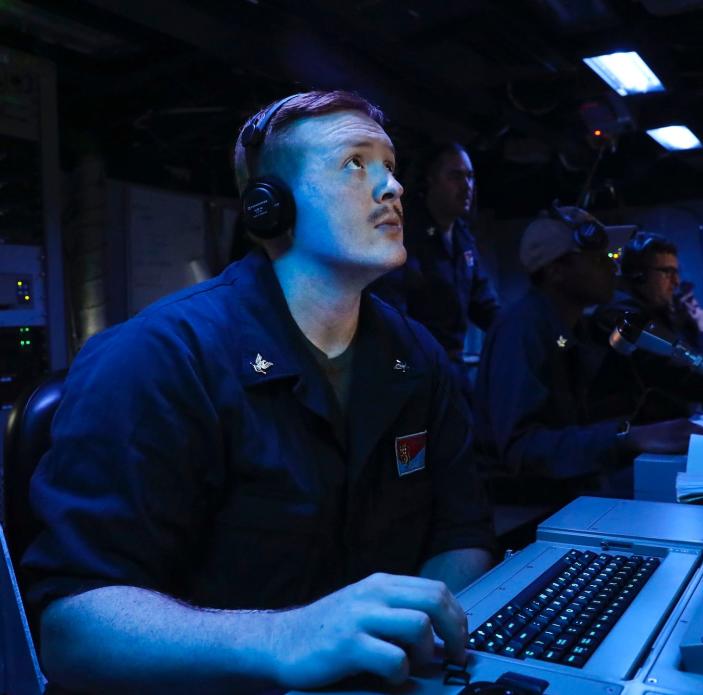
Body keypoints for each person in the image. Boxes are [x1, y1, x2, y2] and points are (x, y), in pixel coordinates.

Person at [22, 91, 495, 694]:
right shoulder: (155, 358)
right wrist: (286, 636)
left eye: (391, 166)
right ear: (270, 208)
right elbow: (70, 630)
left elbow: (463, 533)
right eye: (355, 164)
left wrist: (425, 644)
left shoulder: (419, 356)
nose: (392, 188)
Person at [473, 206, 703, 507]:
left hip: (569, 490)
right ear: (556, 270)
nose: (613, 269)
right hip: (523, 508)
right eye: (599, 260)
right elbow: (522, 449)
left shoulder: (577, 328)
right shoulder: (522, 329)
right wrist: (628, 437)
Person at [593, 232, 703, 418]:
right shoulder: (622, 314)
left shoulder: (659, 312)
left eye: (676, 272)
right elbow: (666, 371)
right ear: (639, 275)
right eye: (666, 272)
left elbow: (696, 359)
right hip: (638, 431)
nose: (676, 282)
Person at [370, 142, 500, 390]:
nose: (467, 186)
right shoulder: (404, 235)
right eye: (455, 176)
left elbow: (484, 305)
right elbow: (393, 317)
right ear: (431, 180)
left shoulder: (464, 240)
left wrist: (518, 333)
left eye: (470, 177)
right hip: (415, 371)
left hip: (452, 369)